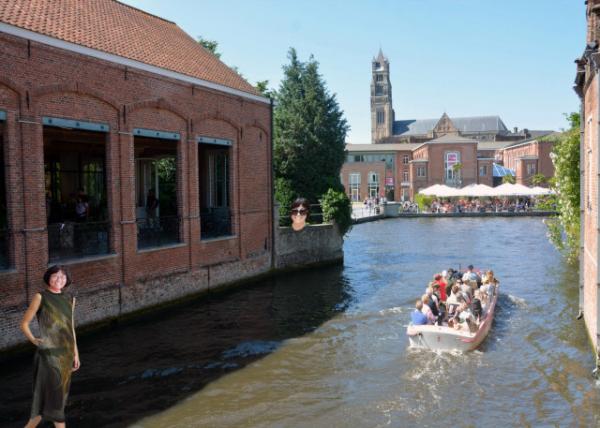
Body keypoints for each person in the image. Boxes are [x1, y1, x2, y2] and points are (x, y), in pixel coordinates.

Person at [21, 266, 80, 428]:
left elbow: (71, 328)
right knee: (56, 403)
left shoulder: (70, 298)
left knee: (49, 403)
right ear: (48, 278)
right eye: (55, 276)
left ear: (67, 280)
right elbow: (24, 323)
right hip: (49, 356)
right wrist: (34, 340)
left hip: (66, 355)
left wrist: (76, 354)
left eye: (62, 277)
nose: (59, 280)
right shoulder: (40, 297)